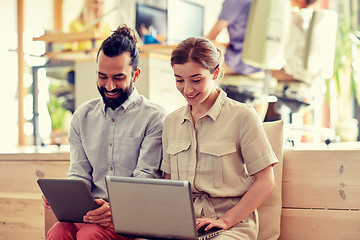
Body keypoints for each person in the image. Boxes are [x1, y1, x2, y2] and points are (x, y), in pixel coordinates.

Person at [43, 25, 167, 240]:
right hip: (88, 214)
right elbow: (79, 172)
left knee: (89, 236)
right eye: (102, 76)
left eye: (118, 77)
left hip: (130, 216)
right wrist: (63, 196)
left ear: (135, 75)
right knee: (58, 232)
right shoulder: (82, 116)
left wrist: (115, 209)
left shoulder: (154, 117)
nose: (109, 86)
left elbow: (145, 179)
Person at [161, 37, 278, 239]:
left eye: (196, 80)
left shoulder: (243, 115)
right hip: (186, 224)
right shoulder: (171, 122)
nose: (187, 89)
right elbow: (169, 184)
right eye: (179, 80)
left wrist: (225, 221)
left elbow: (266, 182)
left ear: (215, 72)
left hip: (231, 224)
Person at [206, 0, 261, 76]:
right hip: (259, 65)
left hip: (238, 63)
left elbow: (209, 39)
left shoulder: (233, 1)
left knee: (200, 68)